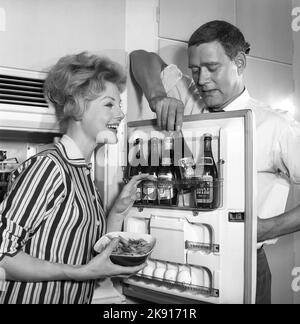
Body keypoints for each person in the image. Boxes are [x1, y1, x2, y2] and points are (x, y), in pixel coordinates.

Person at [130, 20, 300, 304]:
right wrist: (158, 96)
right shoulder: (190, 97)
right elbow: (140, 57)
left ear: (240, 63)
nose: (202, 79)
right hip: (181, 256)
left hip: (244, 261)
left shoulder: (276, 126)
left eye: (212, 68)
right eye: (195, 70)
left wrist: (266, 228)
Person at [0, 52, 153, 304]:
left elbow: (89, 253)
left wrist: (117, 211)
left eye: (120, 105)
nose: (121, 114)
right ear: (77, 107)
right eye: (109, 104)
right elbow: (3, 254)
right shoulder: (49, 167)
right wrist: (77, 273)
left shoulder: (80, 172)